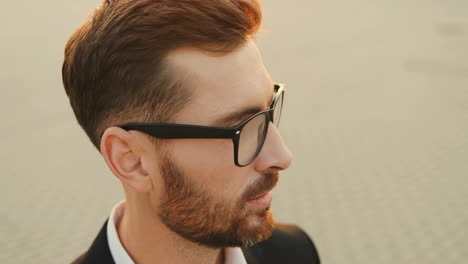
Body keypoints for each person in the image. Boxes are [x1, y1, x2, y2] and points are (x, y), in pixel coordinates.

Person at [63, 0, 320, 263]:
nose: (282, 156)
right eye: (239, 127)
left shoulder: (294, 253)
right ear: (132, 160)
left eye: (268, 109)